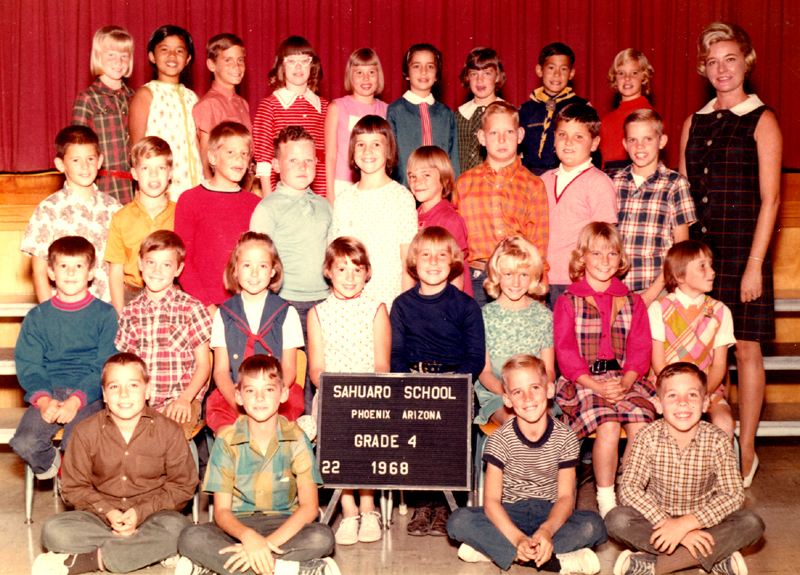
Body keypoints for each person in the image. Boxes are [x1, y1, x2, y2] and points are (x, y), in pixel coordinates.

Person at [679, 21, 782, 488]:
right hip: (700, 253)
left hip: (744, 249)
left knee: (745, 348)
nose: (722, 69)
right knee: (699, 349)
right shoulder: (694, 122)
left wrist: (755, 265)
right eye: (713, 62)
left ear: (747, 62)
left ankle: (746, 450)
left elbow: (771, 200)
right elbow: (682, 198)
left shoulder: (762, 120)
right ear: (704, 68)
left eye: (731, 60)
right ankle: (701, 447)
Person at [32, 353, 197, 575]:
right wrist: (108, 512)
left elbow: (182, 486)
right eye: (114, 387)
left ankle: (90, 561)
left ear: (147, 390)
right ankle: (150, 550)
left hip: (153, 515)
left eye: (133, 385)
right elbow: (74, 487)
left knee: (180, 529)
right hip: (101, 518)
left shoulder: (169, 431)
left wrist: (139, 512)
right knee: (53, 531)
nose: (124, 394)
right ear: (104, 394)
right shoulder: (84, 431)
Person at [177, 355, 339, 575]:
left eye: (269, 390)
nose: (260, 398)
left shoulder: (297, 438)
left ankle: (220, 567)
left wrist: (263, 545)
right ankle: (286, 569)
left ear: (283, 394)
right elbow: (222, 511)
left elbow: (309, 507)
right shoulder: (226, 440)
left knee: (322, 537)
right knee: (190, 537)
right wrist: (248, 537)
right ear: (239, 397)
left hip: (284, 525)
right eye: (251, 390)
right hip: (237, 527)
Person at [446, 354, 606, 574]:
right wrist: (517, 538)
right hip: (510, 514)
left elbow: (566, 498)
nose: (527, 398)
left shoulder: (566, 437)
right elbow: (491, 502)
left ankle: (498, 552)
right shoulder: (499, 439)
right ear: (507, 400)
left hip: (550, 514)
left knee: (594, 525)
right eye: (517, 392)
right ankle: (557, 561)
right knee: (458, 520)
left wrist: (546, 531)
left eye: (535, 388)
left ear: (549, 390)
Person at [605, 363, 765, 575]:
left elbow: (733, 494)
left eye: (692, 395)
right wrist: (676, 529)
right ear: (658, 404)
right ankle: (714, 557)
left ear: (705, 403)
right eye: (672, 395)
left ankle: (657, 565)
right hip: (656, 522)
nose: (683, 402)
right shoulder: (646, 436)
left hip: (705, 523)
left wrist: (687, 524)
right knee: (616, 519)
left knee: (751, 523)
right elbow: (629, 489)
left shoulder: (717, 440)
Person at [553, 223, 655, 519]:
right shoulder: (568, 300)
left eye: (612, 254)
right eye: (596, 253)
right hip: (583, 382)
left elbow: (640, 350)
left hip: (626, 380)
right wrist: (597, 386)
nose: (604, 261)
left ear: (621, 258)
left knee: (641, 424)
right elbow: (566, 353)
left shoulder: (633, 301)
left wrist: (626, 382)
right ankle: (606, 498)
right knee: (608, 425)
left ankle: (631, 491)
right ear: (582, 257)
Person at [390, 226, 485, 537]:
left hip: (455, 382)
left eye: (441, 255)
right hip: (414, 381)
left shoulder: (466, 305)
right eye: (426, 255)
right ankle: (423, 504)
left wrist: (452, 384)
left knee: (451, 437)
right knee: (415, 438)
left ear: (453, 261)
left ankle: (446, 505)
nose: (433, 262)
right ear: (414, 261)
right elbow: (396, 355)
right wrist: (412, 383)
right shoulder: (402, 305)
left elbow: (475, 357)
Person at [10, 236, 118, 480]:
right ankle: (57, 468)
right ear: (50, 272)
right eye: (63, 266)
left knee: (76, 444)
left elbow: (105, 365)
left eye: (78, 266)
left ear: (91, 272)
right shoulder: (38, 317)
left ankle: (73, 479)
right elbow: (30, 365)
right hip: (50, 389)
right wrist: (44, 400)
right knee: (25, 442)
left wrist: (76, 401)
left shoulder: (105, 314)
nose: (70, 273)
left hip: (90, 393)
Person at [306, 237, 391, 545]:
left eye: (357, 269)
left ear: (367, 273)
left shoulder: (377, 310)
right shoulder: (317, 313)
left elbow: (382, 366)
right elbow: (316, 370)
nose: (350, 277)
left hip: (371, 395)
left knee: (366, 434)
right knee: (338, 432)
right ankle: (348, 509)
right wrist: (340, 394)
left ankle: (368, 508)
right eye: (342, 269)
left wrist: (363, 394)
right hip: (333, 396)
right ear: (328, 271)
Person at [115, 230, 213, 439]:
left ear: (178, 269)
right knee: (120, 438)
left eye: (166, 265)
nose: (157, 271)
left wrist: (185, 398)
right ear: (140, 263)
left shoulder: (192, 308)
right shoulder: (130, 312)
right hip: (141, 402)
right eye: (151, 262)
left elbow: (204, 365)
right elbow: (126, 368)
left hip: (182, 398)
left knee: (168, 437)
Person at [453, 101, 549, 307]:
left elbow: (538, 243)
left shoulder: (533, 185)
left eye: (509, 132)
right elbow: (455, 242)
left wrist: (540, 285)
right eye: (494, 133)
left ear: (520, 135)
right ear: (481, 138)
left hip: (518, 278)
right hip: (476, 277)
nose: (502, 139)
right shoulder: (464, 183)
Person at [206, 232, 304, 434]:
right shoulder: (224, 314)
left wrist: (270, 398)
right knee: (229, 434)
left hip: (274, 394)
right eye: (246, 265)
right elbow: (221, 371)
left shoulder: (286, 313)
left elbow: (289, 368)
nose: (254, 273)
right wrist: (239, 405)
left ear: (273, 271)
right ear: (235, 270)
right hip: (235, 394)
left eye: (263, 266)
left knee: (276, 432)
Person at [250, 126, 332, 347]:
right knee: (292, 366)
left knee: (321, 366)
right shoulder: (267, 208)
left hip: (325, 302)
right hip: (285, 302)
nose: (302, 167)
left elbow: (332, 255)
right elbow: (258, 261)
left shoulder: (325, 206)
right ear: (276, 165)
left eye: (308, 160)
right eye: (293, 160)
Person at [20, 125, 121, 304]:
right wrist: (49, 313)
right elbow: (39, 271)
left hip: (105, 310)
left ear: (100, 161)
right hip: (63, 309)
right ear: (61, 165)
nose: (85, 166)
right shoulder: (48, 209)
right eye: (76, 160)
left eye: (90, 159)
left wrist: (118, 312)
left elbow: (120, 268)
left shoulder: (115, 209)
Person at [648, 240, 736, 438]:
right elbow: (658, 364)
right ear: (679, 276)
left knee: (724, 423)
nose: (712, 272)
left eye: (711, 265)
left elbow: (719, 367)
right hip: (666, 389)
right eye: (702, 266)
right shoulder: (659, 308)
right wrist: (681, 395)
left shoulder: (721, 311)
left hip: (706, 389)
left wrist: (701, 394)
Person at [329, 115, 417, 311]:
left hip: (389, 301)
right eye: (360, 144)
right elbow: (337, 259)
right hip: (350, 304)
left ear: (389, 150)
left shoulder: (401, 197)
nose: (367, 151)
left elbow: (407, 261)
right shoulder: (344, 199)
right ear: (352, 151)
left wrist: (403, 310)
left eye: (376, 144)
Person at [174, 121, 261, 311]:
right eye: (230, 152)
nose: (239, 159)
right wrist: (209, 308)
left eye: (244, 153)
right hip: (203, 306)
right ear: (212, 157)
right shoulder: (190, 200)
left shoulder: (255, 204)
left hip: (246, 306)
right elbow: (184, 261)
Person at [615, 109, 696, 306]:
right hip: (616, 289)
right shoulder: (614, 182)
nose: (640, 146)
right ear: (625, 144)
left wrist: (651, 294)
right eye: (633, 140)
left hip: (658, 289)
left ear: (662, 141)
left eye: (648, 139)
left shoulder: (675, 184)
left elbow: (681, 249)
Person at [540, 103, 617, 307]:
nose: (568, 142)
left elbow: (604, 239)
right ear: (554, 138)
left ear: (594, 143)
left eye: (578, 137)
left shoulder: (599, 183)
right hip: (541, 279)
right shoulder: (543, 180)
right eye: (562, 135)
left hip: (579, 280)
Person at [475, 237, 554, 427]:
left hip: (535, 394)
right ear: (497, 275)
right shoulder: (483, 316)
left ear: (533, 275)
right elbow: (485, 373)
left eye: (524, 275)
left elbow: (549, 370)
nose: (516, 282)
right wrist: (511, 393)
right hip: (498, 393)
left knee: (544, 424)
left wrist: (536, 391)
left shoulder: (544, 315)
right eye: (508, 274)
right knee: (515, 422)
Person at [129, 25, 202, 199]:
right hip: (160, 187)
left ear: (188, 59)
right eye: (164, 49)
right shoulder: (146, 94)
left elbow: (198, 145)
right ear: (152, 56)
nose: (172, 55)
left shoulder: (193, 98)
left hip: (194, 184)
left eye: (179, 51)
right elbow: (136, 147)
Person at [105, 136, 176, 312]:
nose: (154, 174)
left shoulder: (181, 213)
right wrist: (120, 314)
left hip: (172, 295)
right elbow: (116, 270)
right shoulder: (121, 217)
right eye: (145, 168)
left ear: (170, 173)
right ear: (135, 173)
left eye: (161, 168)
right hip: (131, 295)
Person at [253, 36, 329, 197]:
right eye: (291, 61)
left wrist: (328, 196)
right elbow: (264, 160)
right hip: (282, 194)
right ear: (281, 65)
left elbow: (329, 156)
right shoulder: (270, 105)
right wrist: (269, 199)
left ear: (313, 65)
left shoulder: (325, 107)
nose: (298, 66)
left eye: (304, 60)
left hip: (319, 193)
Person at [72, 25, 136, 204]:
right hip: (102, 184)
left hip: (134, 184)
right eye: (111, 55)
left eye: (124, 56)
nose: (119, 62)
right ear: (98, 57)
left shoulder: (136, 97)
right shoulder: (87, 98)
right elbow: (76, 148)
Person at [387, 43, 460, 187]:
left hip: (439, 193)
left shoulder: (446, 114)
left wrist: (453, 192)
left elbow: (454, 160)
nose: (423, 72)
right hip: (405, 192)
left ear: (437, 74)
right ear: (407, 73)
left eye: (430, 66)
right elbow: (390, 158)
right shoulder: (395, 110)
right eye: (416, 66)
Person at [324, 48, 388, 202]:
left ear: (379, 75)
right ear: (350, 76)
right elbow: (330, 156)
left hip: (377, 185)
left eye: (371, 72)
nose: (366, 78)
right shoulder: (337, 107)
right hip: (343, 184)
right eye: (359, 73)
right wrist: (330, 194)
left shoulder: (387, 110)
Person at [407, 145, 471, 295]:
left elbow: (457, 275)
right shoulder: (410, 216)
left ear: (444, 179)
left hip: (446, 301)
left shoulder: (450, 220)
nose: (418, 182)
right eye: (412, 176)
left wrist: (451, 306)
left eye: (426, 175)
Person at [518, 43, 589, 176]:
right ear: (539, 70)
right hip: (535, 175)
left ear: (571, 73)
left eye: (563, 69)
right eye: (551, 68)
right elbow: (520, 151)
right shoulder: (526, 110)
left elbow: (592, 151)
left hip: (572, 174)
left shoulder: (582, 107)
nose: (557, 74)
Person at [193, 33, 252, 181]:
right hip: (220, 186)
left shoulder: (243, 103)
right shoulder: (209, 104)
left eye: (240, 60)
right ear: (211, 65)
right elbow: (205, 157)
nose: (236, 66)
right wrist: (211, 190)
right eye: (228, 60)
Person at [599, 49, 656, 175]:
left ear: (644, 77)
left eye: (634, 73)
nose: (627, 78)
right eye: (621, 73)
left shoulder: (649, 115)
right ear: (614, 79)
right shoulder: (606, 121)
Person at [456, 47, 505, 173]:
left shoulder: (507, 112)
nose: (480, 80)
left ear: (497, 76)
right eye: (474, 74)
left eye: (487, 73)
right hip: (463, 181)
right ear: (467, 77)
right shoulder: (459, 115)